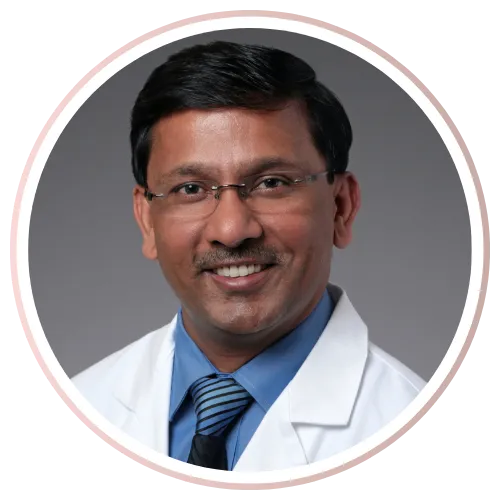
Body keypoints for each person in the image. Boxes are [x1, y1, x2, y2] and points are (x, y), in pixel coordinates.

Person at [71, 40, 426, 473]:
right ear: (147, 221)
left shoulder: (403, 415)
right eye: (190, 189)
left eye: (272, 182)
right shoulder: (82, 403)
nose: (231, 230)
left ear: (340, 207)